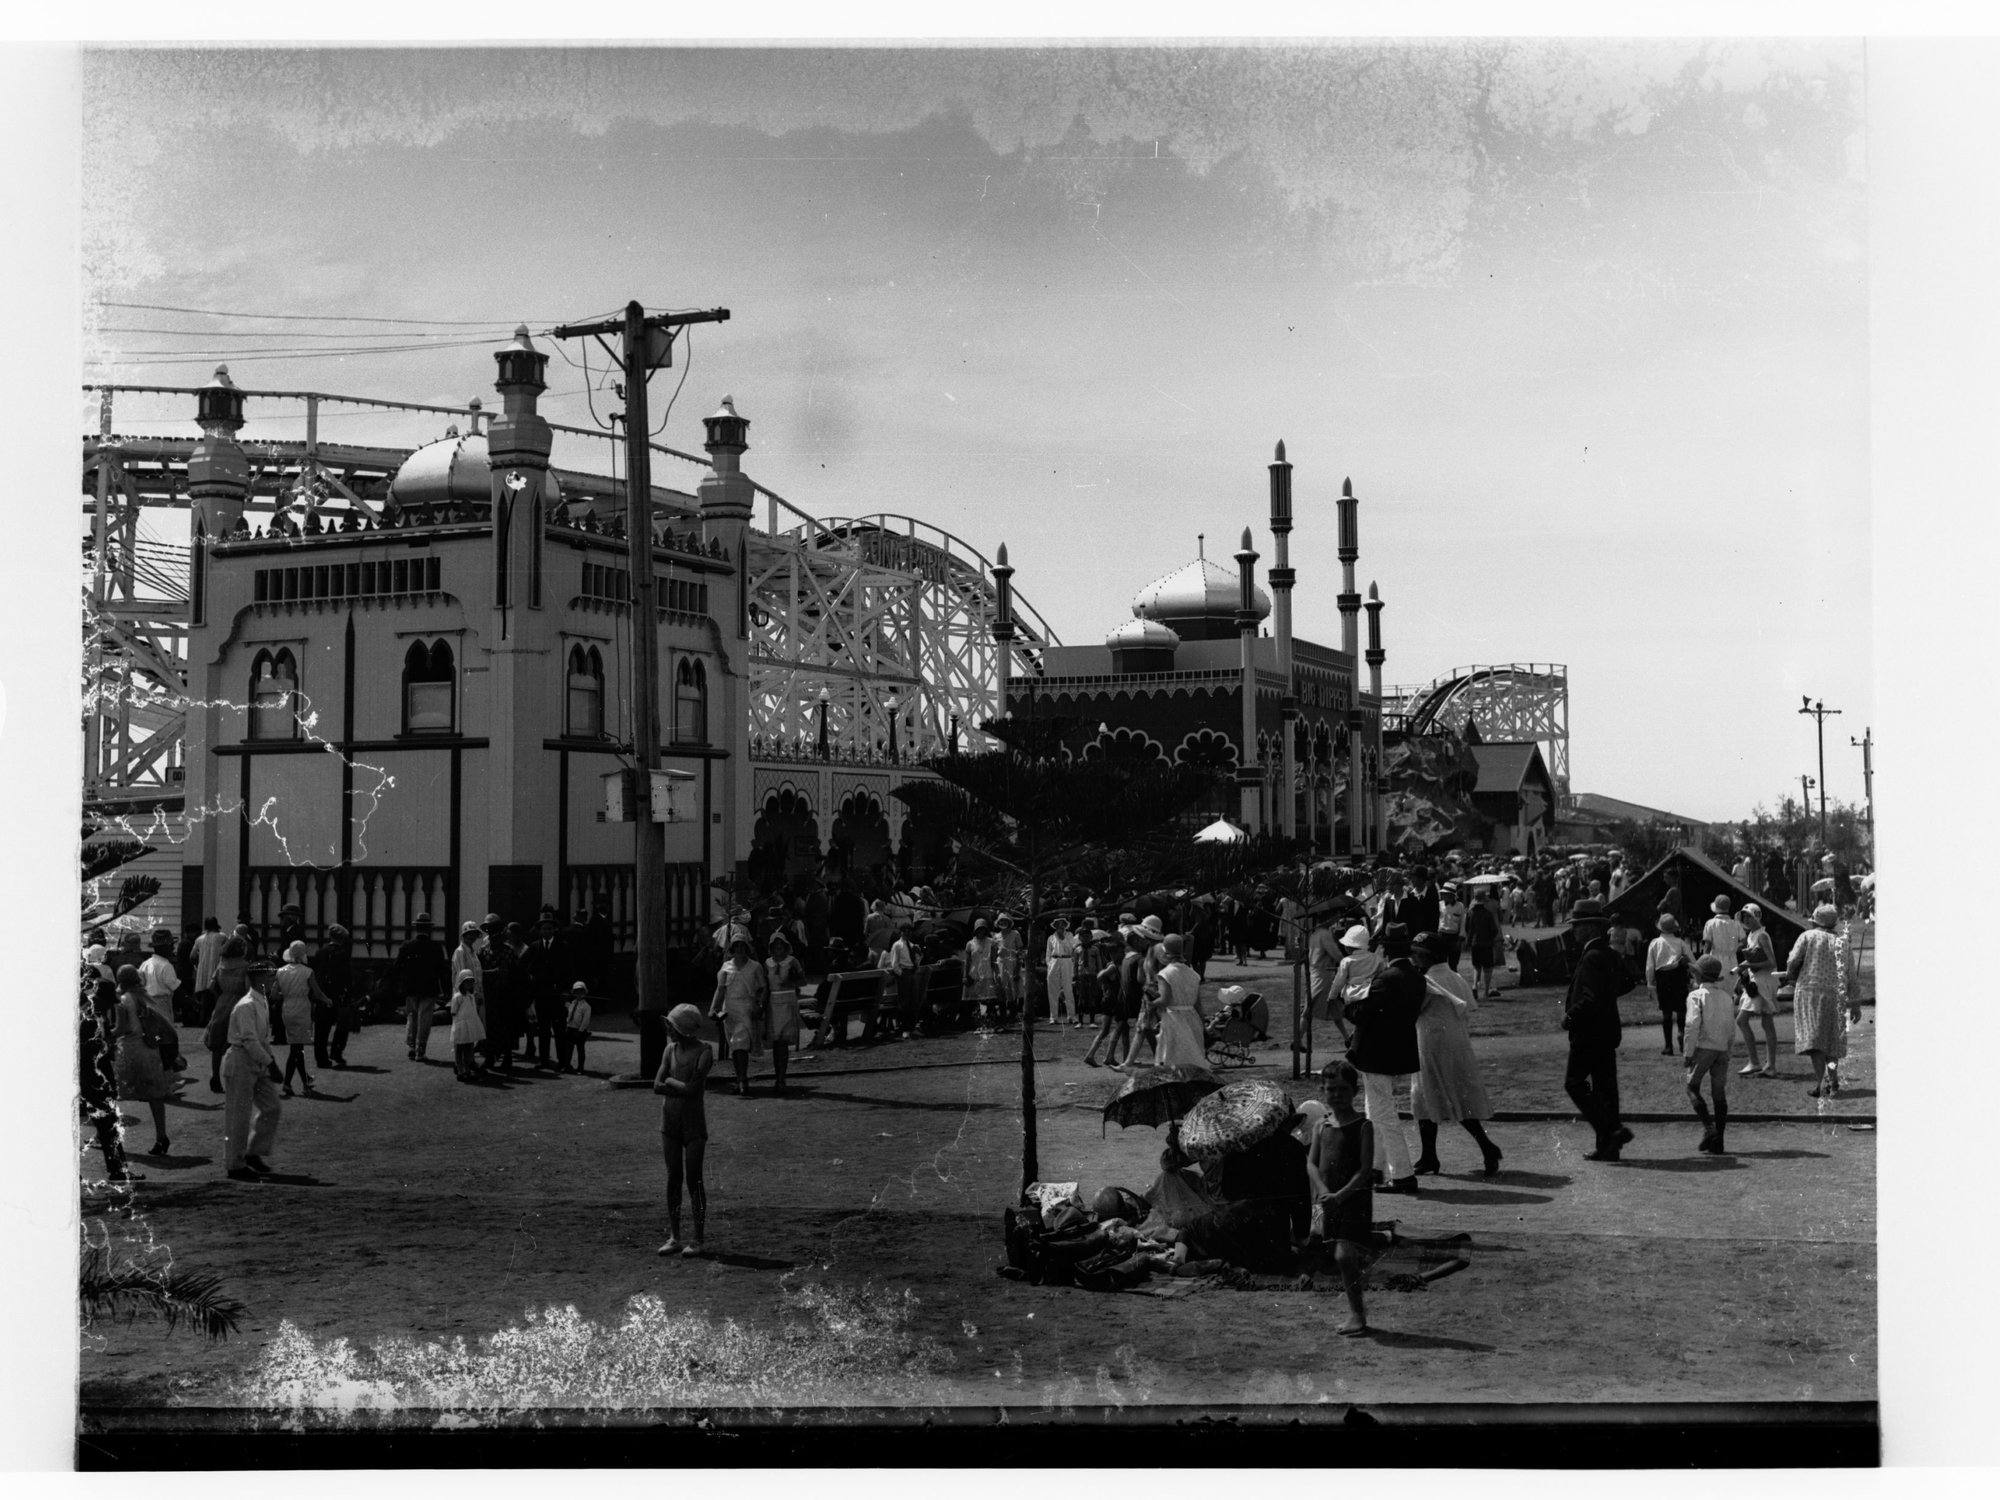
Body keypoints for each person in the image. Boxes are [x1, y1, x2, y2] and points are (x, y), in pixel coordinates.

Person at [1408, 933, 1504, 1177]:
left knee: (1424, 1096)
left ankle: (1431, 1156)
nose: (1414, 958)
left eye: (1417, 954)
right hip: (1457, 1043)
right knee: (1457, 1096)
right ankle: (1484, 1146)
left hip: (1431, 1044)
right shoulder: (1456, 978)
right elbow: (1469, 1006)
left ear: (1428, 956)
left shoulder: (1427, 981)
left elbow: (1413, 1010)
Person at [1344, 923, 1423, 1196]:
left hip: (1377, 1053)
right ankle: (1375, 1168)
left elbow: (1358, 1013)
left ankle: (1402, 1174)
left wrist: (1348, 998)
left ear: (1384, 950)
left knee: (1382, 1114)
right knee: (1373, 1110)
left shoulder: (1386, 979)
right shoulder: (1416, 977)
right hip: (1398, 1050)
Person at [1304, 1059, 1374, 1337]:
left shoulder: (1363, 1126)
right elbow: (1311, 1164)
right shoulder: (1321, 1127)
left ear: (1355, 1092)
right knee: (1339, 1256)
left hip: (1353, 1199)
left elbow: (1365, 1169)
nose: (1337, 1095)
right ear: (1323, 1091)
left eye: (1343, 1090)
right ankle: (1356, 1309)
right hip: (1329, 1201)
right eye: (1331, 1090)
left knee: (1344, 1255)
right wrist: (1322, 1191)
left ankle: (1357, 1314)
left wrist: (1341, 1195)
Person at [1563, 899, 1633, 1162]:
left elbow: (1590, 998)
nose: (1574, 931)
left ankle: (1611, 1130)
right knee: (1605, 1088)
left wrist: (1570, 1016)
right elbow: (1627, 982)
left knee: (1574, 1083)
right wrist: (1608, 996)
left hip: (1588, 1031)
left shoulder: (1592, 956)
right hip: (1607, 1029)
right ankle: (1609, 1146)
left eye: (1579, 926)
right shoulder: (1610, 954)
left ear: (1592, 928)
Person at [654, 1003, 715, 1256]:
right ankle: (675, 1236)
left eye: (673, 1027)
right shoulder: (670, 1050)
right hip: (669, 1121)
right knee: (673, 1178)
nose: (669, 1031)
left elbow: (688, 1089)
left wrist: (669, 1080)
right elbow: (657, 1084)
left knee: (694, 1179)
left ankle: (698, 1238)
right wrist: (671, 1082)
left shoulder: (705, 1052)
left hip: (693, 1124)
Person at [1786, 904, 1857, 1099]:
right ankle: (1832, 1081)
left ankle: (1821, 1083)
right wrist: (1856, 1002)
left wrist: (1791, 976)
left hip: (1810, 992)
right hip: (1836, 995)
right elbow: (1851, 974)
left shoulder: (1807, 937)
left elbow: (1793, 961)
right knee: (1831, 1041)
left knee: (1815, 1042)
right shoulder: (1843, 943)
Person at [221, 969, 283, 1181]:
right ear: (259, 980)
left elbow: (263, 1039)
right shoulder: (246, 1005)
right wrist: (271, 1064)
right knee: (238, 1116)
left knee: (271, 1107)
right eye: (270, 979)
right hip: (241, 1060)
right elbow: (249, 1040)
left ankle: (253, 1151)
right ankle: (235, 1165)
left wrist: (269, 1061)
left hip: (257, 1060)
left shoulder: (261, 1002)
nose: (274, 982)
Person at [111, 965, 176, 1158]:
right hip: (149, 1050)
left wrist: (105, 1033)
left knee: (114, 1093)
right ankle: (161, 1136)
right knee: (154, 1096)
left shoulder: (123, 1001)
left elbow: (122, 1029)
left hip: (130, 1051)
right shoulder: (146, 998)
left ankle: (104, 1134)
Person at [1684, 954, 1736, 1154]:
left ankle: (1708, 1127)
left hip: (1704, 1047)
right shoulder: (1725, 997)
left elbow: (1692, 1024)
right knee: (1718, 1092)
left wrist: (1688, 1053)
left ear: (1698, 976)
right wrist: (1728, 1049)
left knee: (1692, 1087)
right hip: (1722, 1048)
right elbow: (1731, 1028)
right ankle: (1719, 1139)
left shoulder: (1696, 996)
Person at [710, 936, 769, 1097]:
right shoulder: (726, 967)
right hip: (729, 1010)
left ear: (747, 948)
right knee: (735, 1046)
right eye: (737, 946)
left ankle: (743, 1082)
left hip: (747, 1008)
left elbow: (764, 988)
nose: (740, 949)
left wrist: (760, 1006)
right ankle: (740, 1078)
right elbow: (720, 989)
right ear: (732, 949)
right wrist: (713, 1008)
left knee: (741, 1043)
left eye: (743, 946)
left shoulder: (755, 967)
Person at [271, 941, 330, 1096]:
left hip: (287, 1008)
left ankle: (299, 1082)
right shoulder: (307, 971)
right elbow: (317, 992)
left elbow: (274, 995)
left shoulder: (281, 971)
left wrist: (286, 994)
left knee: (296, 1048)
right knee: (298, 1049)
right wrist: (327, 1000)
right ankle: (294, 1083)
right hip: (302, 1007)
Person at [1083, 929, 1144, 1068]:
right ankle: (1100, 1055)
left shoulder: (1117, 965)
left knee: (1119, 1028)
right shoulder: (1113, 966)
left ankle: (1107, 1056)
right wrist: (1110, 987)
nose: (1123, 955)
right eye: (1121, 953)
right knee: (1116, 1028)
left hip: (1110, 999)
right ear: (1114, 953)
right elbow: (1100, 976)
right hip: (1111, 1000)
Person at [396, 913, 451, 1062]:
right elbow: (442, 971)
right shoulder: (436, 947)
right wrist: (447, 991)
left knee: (412, 1016)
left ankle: (412, 1046)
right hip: (429, 987)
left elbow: (398, 967)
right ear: (429, 929)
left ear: (416, 928)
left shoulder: (406, 946)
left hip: (411, 987)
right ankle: (421, 1049)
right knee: (425, 1018)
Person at [1149, 934, 1209, 1067]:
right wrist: (1202, 1023)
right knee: (1193, 1057)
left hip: (1173, 1019)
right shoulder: (1193, 974)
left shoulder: (1165, 974)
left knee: (1173, 1058)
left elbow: (1165, 1000)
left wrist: (1151, 1004)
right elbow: (1198, 1004)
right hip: (1192, 1018)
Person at [1734, 904, 1780, 1078]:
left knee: (1749, 1020)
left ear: (1756, 917)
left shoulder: (1762, 936)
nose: (1746, 920)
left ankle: (1762, 1063)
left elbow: (1772, 962)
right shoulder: (1751, 936)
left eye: (1749, 916)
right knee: (1758, 1022)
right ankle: (1762, 1064)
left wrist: (1750, 965)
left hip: (1765, 981)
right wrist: (1744, 971)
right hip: (1757, 980)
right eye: (1744, 917)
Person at [203, 936, 252, 1094]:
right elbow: (247, 989)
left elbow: (211, 986)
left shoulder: (221, 965)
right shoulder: (246, 967)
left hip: (222, 1002)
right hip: (239, 1002)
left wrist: (221, 997)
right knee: (238, 1043)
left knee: (217, 1043)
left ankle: (215, 1077)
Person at [1645, 914, 1695, 1056]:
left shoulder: (1655, 943)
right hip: (1678, 976)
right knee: (1681, 1010)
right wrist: (1694, 975)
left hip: (1663, 978)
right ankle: (1681, 1033)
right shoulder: (1680, 942)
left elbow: (1650, 965)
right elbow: (1692, 961)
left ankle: (1668, 1046)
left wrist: (1650, 982)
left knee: (1666, 1012)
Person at [1326, 923, 1383, 1049]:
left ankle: (1355, 1045)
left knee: (1359, 1021)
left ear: (1349, 947)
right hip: (1370, 995)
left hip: (1351, 998)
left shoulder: (1347, 961)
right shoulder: (1376, 959)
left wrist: (1332, 996)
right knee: (1365, 1022)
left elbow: (1338, 981)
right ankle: (1358, 1040)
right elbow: (1381, 974)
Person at [764, 935, 805, 1094]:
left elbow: (802, 981)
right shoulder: (767, 963)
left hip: (788, 1000)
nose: (779, 947)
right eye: (776, 944)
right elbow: (765, 985)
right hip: (773, 1003)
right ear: (772, 947)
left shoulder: (792, 961)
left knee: (783, 1042)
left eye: (781, 944)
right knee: (776, 1043)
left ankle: (782, 1077)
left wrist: (789, 983)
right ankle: (777, 1077)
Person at [311, 923, 353, 1068]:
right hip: (338, 994)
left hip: (322, 993)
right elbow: (346, 976)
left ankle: (321, 1059)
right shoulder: (344, 953)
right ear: (342, 939)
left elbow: (315, 973)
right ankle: (336, 1051)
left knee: (321, 1028)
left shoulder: (320, 952)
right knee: (342, 1025)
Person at [1305, 911, 1346, 1042]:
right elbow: (1336, 954)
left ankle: (1347, 1038)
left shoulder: (1315, 934)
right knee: (1308, 1009)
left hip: (1317, 972)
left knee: (1335, 1010)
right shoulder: (1325, 934)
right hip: (1323, 975)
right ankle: (1298, 1039)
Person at [1464, 888, 1503, 1001]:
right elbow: (1494, 930)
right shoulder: (1488, 913)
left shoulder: (1470, 913)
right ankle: (1486, 991)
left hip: (1474, 943)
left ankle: (1475, 985)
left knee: (1476, 967)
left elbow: (1467, 928)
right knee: (1488, 968)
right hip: (1486, 943)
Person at [139, 928, 182, 1025]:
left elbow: (140, 984)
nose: (173, 948)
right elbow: (175, 987)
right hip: (162, 1004)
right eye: (171, 945)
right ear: (164, 948)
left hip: (147, 1004)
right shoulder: (166, 966)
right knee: (165, 1033)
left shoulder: (145, 964)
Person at [448, 974, 487, 1082]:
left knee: (469, 1049)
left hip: (470, 1025)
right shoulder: (458, 997)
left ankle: (467, 1070)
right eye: (466, 982)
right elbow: (454, 1012)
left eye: (471, 982)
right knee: (459, 1049)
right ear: (461, 983)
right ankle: (460, 1071)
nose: (469, 984)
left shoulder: (471, 996)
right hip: (461, 1026)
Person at [1045, 916, 1082, 1028]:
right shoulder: (1051, 937)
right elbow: (1048, 952)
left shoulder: (1070, 935)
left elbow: (1071, 949)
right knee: (1052, 989)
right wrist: (1049, 963)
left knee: (1068, 988)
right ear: (1055, 925)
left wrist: (1063, 938)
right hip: (1054, 960)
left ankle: (1071, 1016)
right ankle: (1053, 1016)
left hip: (1066, 960)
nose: (1060, 926)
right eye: (1058, 924)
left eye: (1062, 924)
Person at [963, 918, 1000, 1025]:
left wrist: (996, 974)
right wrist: (965, 976)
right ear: (975, 930)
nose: (981, 931)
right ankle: (976, 1023)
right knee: (974, 1001)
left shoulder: (991, 942)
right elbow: (967, 961)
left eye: (983, 929)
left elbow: (994, 960)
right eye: (979, 929)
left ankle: (991, 1022)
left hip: (987, 973)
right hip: (974, 974)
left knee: (990, 1000)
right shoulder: (970, 944)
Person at [1435, 887, 1467, 974]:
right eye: (1443, 894)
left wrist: (1460, 939)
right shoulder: (1439, 905)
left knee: (1453, 964)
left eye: (1446, 894)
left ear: (1452, 895)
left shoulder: (1460, 906)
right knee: (1442, 963)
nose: (1444, 896)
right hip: (1442, 935)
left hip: (1454, 937)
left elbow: (1462, 923)